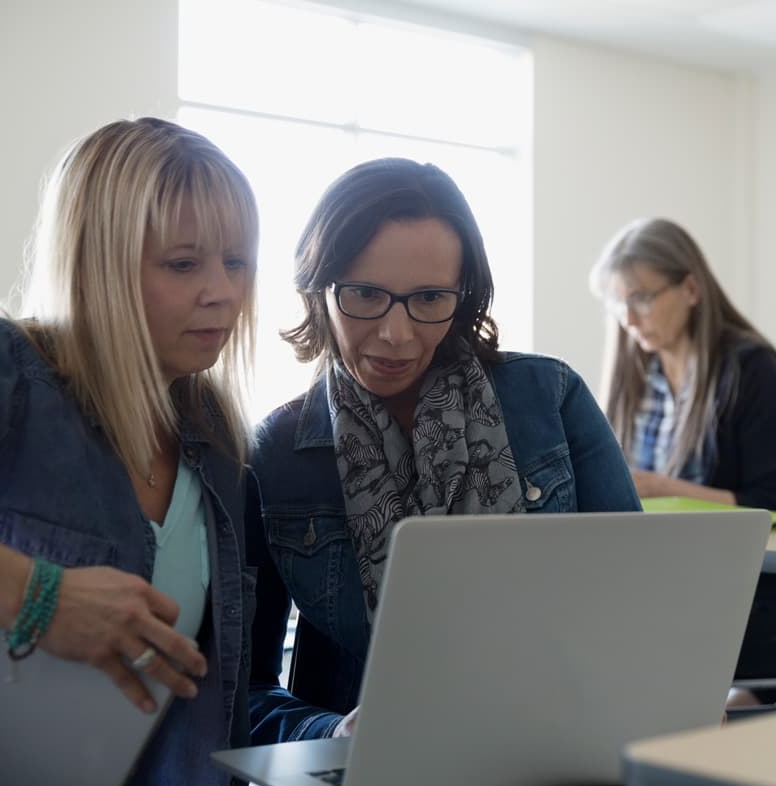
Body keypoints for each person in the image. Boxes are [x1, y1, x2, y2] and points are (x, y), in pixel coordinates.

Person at [245, 157, 641, 745]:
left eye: (430, 298)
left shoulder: (549, 399)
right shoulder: (277, 455)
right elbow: (241, 687)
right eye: (363, 295)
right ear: (318, 288)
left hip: (564, 739)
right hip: (377, 770)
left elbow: (639, 601)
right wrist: (329, 731)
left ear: (465, 295)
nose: (396, 334)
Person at [0, 117, 258, 786]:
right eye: (183, 263)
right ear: (97, 261)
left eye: (237, 260)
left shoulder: (214, 433)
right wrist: (35, 596)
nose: (221, 291)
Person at [589, 217, 776, 509]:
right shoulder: (635, 372)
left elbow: (769, 500)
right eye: (617, 303)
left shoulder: (753, 369)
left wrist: (666, 489)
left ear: (691, 289)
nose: (628, 320)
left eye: (641, 299)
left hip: (723, 549)